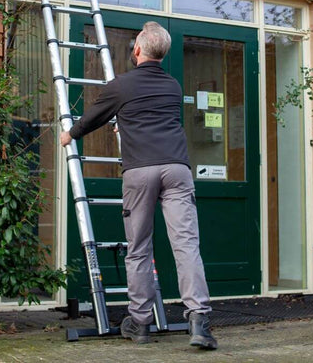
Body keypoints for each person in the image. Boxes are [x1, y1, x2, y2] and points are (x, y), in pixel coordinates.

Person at [60, 21, 217, 350]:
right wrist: (126, 125)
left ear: (136, 50)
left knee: (139, 248)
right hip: (176, 168)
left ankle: (140, 322)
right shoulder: (173, 86)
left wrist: (69, 134)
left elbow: (94, 117)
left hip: (140, 172)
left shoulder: (122, 86)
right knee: (187, 246)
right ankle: (199, 322)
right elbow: (152, 118)